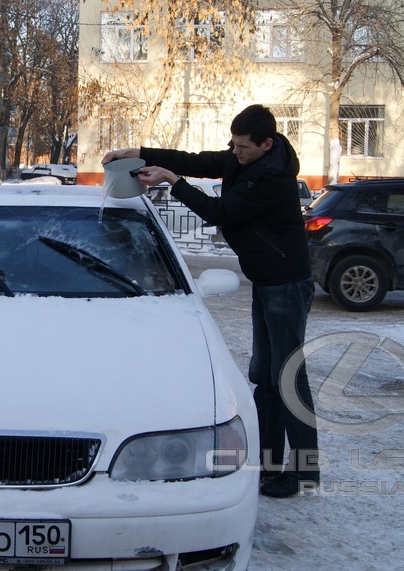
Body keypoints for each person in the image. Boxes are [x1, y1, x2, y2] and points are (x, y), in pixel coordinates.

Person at [102, 104, 319, 498]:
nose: (235, 152)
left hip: (286, 284)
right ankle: (269, 465)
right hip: (268, 280)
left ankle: (305, 470)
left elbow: (221, 212)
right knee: (265, 375)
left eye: (242, 147)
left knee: (285, 377)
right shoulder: (249, 158)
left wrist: (173, 181)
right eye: (232, 144)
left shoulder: (272, 177)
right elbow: (197, 160)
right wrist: (138, 153)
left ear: (266, 144)